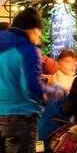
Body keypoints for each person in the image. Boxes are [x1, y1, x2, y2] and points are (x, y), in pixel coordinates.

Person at [0, 8, 52, 153]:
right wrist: (52, 92)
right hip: (20, 115)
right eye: (40, 31)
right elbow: (31, 86)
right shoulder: (28, 49)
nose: (40, 36)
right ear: (33, 29)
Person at [39, 57, 68, 152]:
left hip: (32, 134)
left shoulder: (25, 88)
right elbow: (66, 114)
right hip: (53, 135)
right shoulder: (61, 90)